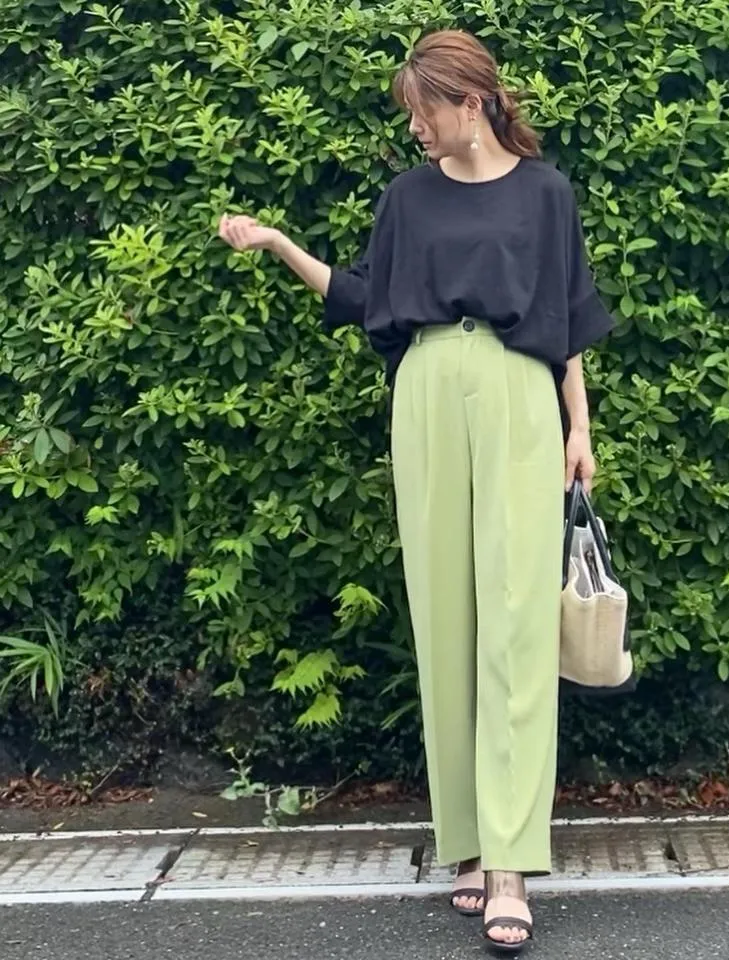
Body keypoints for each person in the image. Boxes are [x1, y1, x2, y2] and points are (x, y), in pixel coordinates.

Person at [218, 28, 614, 954]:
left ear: (470, 102)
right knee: (445, 619)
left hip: (519, 393)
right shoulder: (407, 198)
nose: (417, 129)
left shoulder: (546, 194)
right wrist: (278, 244)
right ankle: (466, 843)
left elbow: (567, 321)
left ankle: (512, 864)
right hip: (427, 392)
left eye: (425, 111)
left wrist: (580, 428)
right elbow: (366, 298)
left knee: (517, 621)